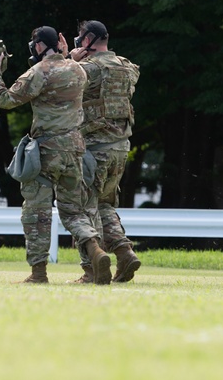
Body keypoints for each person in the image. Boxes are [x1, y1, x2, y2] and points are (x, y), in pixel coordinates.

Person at [0, 26, 112, 285]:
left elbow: (5, 100)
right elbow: (66, 67)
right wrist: (65, 55)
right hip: (75, 149)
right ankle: (94, 255)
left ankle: (39, 273)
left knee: (37, 211)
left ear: (40, 46)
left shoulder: (38, 72)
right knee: (74, 210)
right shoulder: (78, 70)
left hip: (46, 151)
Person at [68, 20, 141, 283]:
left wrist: (71, 60)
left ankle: (92, 270)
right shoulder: (128, 67)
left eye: (79, 37)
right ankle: (125, 252)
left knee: (83, 207)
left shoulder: (88, 69)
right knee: (105, 204)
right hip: (120, 149)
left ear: (87, 39)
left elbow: (63, 82)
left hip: (93, 149)